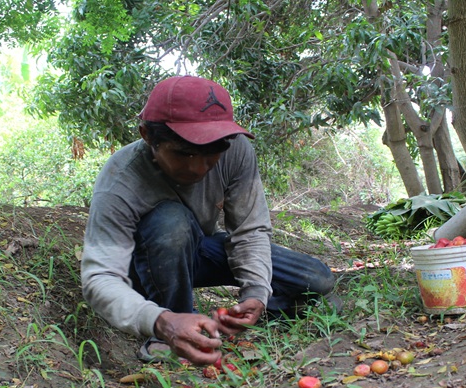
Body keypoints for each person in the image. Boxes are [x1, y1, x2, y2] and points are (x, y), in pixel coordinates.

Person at [81, 75, 337, 366]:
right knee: (170, 222)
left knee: (316, 278)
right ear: (148, 136)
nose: (197, 168)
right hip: (147, 264)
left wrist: (255, 292)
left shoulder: (236, 149)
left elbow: (249, 229)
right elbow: (99, 278)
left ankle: (262, 311)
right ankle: (171, 329)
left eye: (210, 155)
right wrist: (160, 321)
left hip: (200, 248)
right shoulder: (121, 181)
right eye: (183, 153)